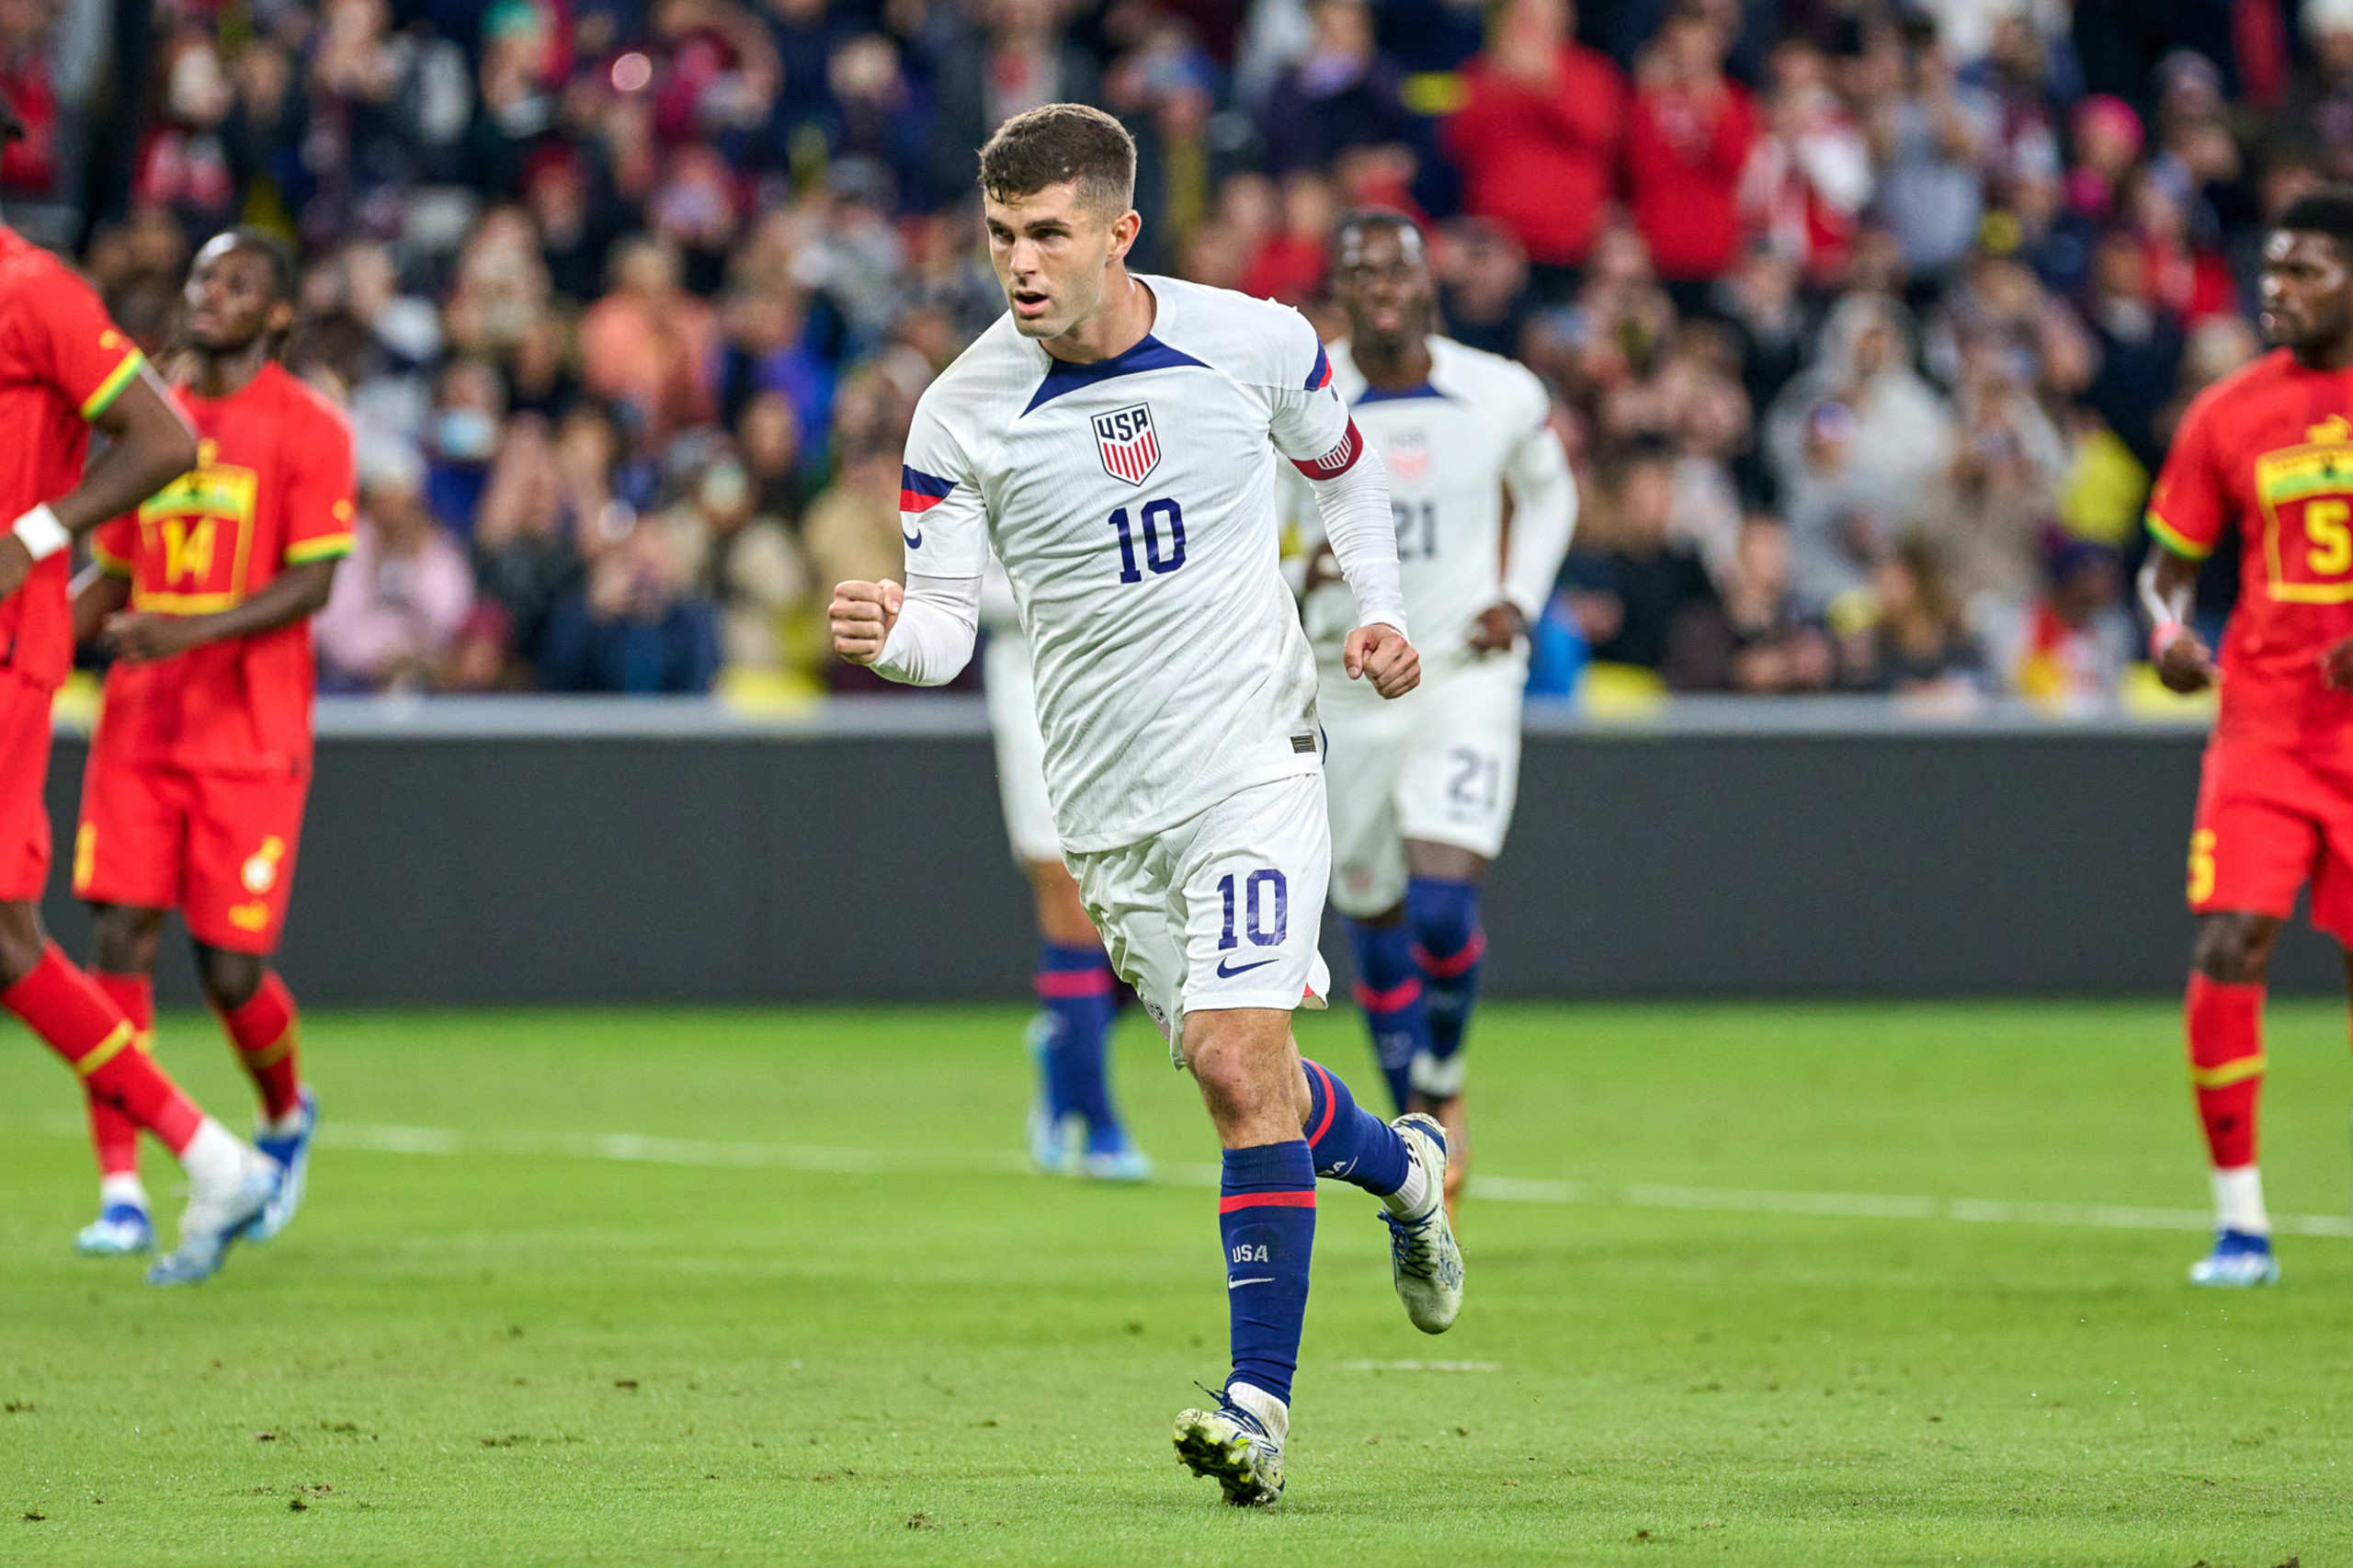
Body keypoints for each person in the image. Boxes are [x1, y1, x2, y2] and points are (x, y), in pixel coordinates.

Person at [828, 104, 1461, 1507]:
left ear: (1120, 231)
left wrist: (1383, 613)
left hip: (1251, 759)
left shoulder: (1255, 341)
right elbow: (943, 635)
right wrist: (889, 633)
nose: (1020, 264)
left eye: (1048, 233)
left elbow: (1344, 472)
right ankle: (1405, 1171)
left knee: (1240, 1063)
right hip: (1109, 811)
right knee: (1259, 1088)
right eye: (999, 236)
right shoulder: (960, 410)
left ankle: (1258, 1409)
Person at [0, 116, 282, 1289]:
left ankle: (204, 1152)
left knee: (13, 939)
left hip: (13, 649)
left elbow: (161, 437)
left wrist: (35, 533)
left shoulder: (36, 293)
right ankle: (203, 1154)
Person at [67, 226, 354, 1259]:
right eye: (201, 276)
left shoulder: (307, 427)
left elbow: (312, 582)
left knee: (231, 968)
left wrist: (183, 628)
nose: (210, 293)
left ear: (277, 312)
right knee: (117, 939)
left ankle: (283, 1115)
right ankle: (120, 1189)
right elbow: (114, 573)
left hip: (249, 734)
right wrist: (44, 630)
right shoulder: (155, 421)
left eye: (236, 282)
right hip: (142, 726)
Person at [1286, 210, 1575, 1221]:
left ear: (1425, 280)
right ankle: (1414, 1102)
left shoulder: (1497, 389)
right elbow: (1245, 520)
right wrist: (1295, 566)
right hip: (1346, 678)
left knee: (1444, 901)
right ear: (1338, 286)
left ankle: (1439, 1083)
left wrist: (1520, 597)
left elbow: (1551, 494)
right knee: (1369, 906)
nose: (1379, 286)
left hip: (1459, 670)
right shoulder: (1300, 387)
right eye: (1357, 271)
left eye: (1395, 268)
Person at [2141, 187, 2353, 1288]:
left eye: (2308, 269)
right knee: (2230, 941)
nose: (2279, 290)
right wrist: (2168, 630)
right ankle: (2241, 1225)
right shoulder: (2227, 412)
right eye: (2272, 269)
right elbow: (2165, 566)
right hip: (2267, 721)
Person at [978, 552, 1152, 1181]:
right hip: (1035, 667)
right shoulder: (985, 449)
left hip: (1145, 667)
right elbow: (962, 577)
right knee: (1069, 884)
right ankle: (1096, 1122)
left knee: (1154, 906)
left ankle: (1065, 1046)